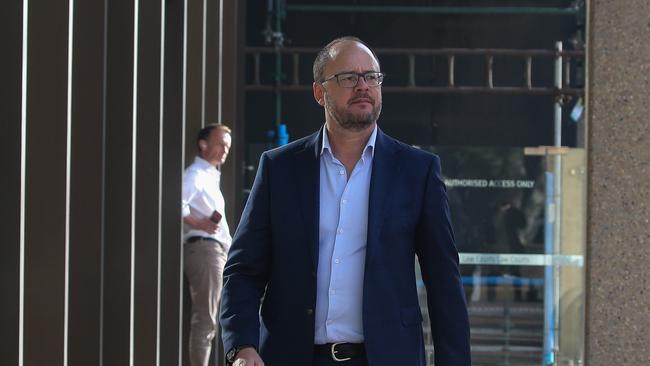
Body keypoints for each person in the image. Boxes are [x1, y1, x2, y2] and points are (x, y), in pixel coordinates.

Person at [220, 37, 471, 366]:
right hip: (291, 356)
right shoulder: (280, 169)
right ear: (319, 92)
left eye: (371, 77)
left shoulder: (416, 170)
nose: (363, 86)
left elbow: (443, 281)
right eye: (349, 78)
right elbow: (243, 271)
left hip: (386, 357)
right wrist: (242, 346)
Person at [183, 123, 233, 366]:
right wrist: (199, 222)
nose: (225, 149)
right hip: (206, 250)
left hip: (217, 251)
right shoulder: (195, 175)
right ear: (203, 144)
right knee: (206, 318)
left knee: (213, 317)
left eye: (228, 146)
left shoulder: (210, 176)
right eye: (220, 143)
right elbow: (177, 202)